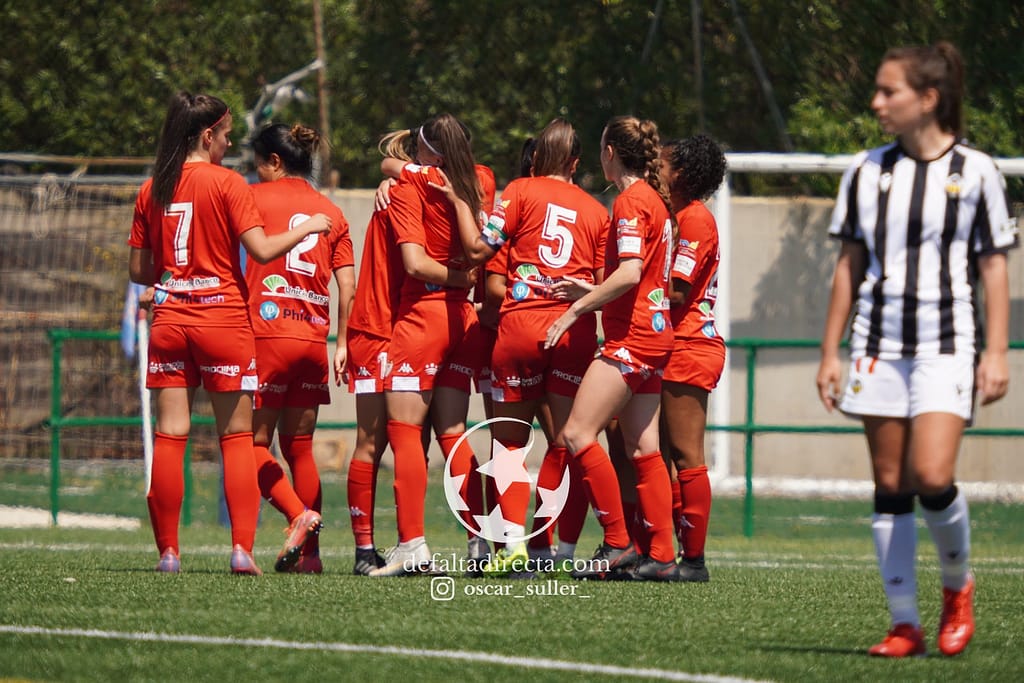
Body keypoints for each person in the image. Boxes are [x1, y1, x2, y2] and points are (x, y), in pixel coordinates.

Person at [815, 42, 1017, 657]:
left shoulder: (977, 171)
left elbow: (994, 268)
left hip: (947, 345)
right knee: (890, 483)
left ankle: (958, 588)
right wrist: (831, 351)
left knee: (932, 475)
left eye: (888, 91)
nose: (876, 103)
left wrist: (998, 351)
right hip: (877, 344)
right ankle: (904, 623)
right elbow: (848, 264)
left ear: (927, 99)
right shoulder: (866, 171)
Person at [127, 91, 330, 575]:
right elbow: (260, 250)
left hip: (173, 320)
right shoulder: (228, 183)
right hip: (223, 320)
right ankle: (241, 551)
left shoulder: (153, 187)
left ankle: (169, 554)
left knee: (170, 437)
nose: (230, 140)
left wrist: (178, 273)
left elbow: (140, 268)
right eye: (225, 133)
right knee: (237, 438)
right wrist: (308, 229)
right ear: (205, 135)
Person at [452, 118, 608, 575]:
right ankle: (549, 548)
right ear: (577, 163)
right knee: (567, 441)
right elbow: (602, 285)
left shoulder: (519, 190)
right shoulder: (597, 211)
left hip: (518, 326)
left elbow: (485, 249)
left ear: (537, 157)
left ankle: (512, 545)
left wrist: (462, 211)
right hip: (571, 327)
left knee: (509, 445)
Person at [545, 115, 678, 581]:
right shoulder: (654, 202)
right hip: (657, 335)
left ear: (609, 153)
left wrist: (576, 310)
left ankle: (618, 543)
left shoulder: (629, 201)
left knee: (578, 434)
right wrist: (584, 288)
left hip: (632, 339)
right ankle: (661, 554)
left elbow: (629, 273)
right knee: (643, 447)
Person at [344, 127, 476, 575]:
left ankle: (405, 545)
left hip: (399, 322)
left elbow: (413, 263)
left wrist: (395, 174)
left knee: (381, 438)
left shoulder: (406, 189)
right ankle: (481, 542)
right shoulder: (480, 180)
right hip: (437, 321)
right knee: (445, 432)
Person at [246, 123, 355, 574]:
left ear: (274, 161)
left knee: (249, 443)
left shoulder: (252, 198)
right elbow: (347, 285)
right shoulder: (331, 211)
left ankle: (297, 514)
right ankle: (310, 559)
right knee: (300, 448)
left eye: (258, 163)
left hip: (264, 333)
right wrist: (343, 341)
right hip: (312, 340)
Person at [658, 134, 728, 582]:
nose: (655, 171)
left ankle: (694, 560)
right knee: (657, 452)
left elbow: (679, 291)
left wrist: (627, 287)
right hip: (672, 344)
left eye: (661, 165)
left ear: (681, 173)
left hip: (689, 345)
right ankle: (661, 551)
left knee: (686, 454)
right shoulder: (678, 216)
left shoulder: (695, 219)